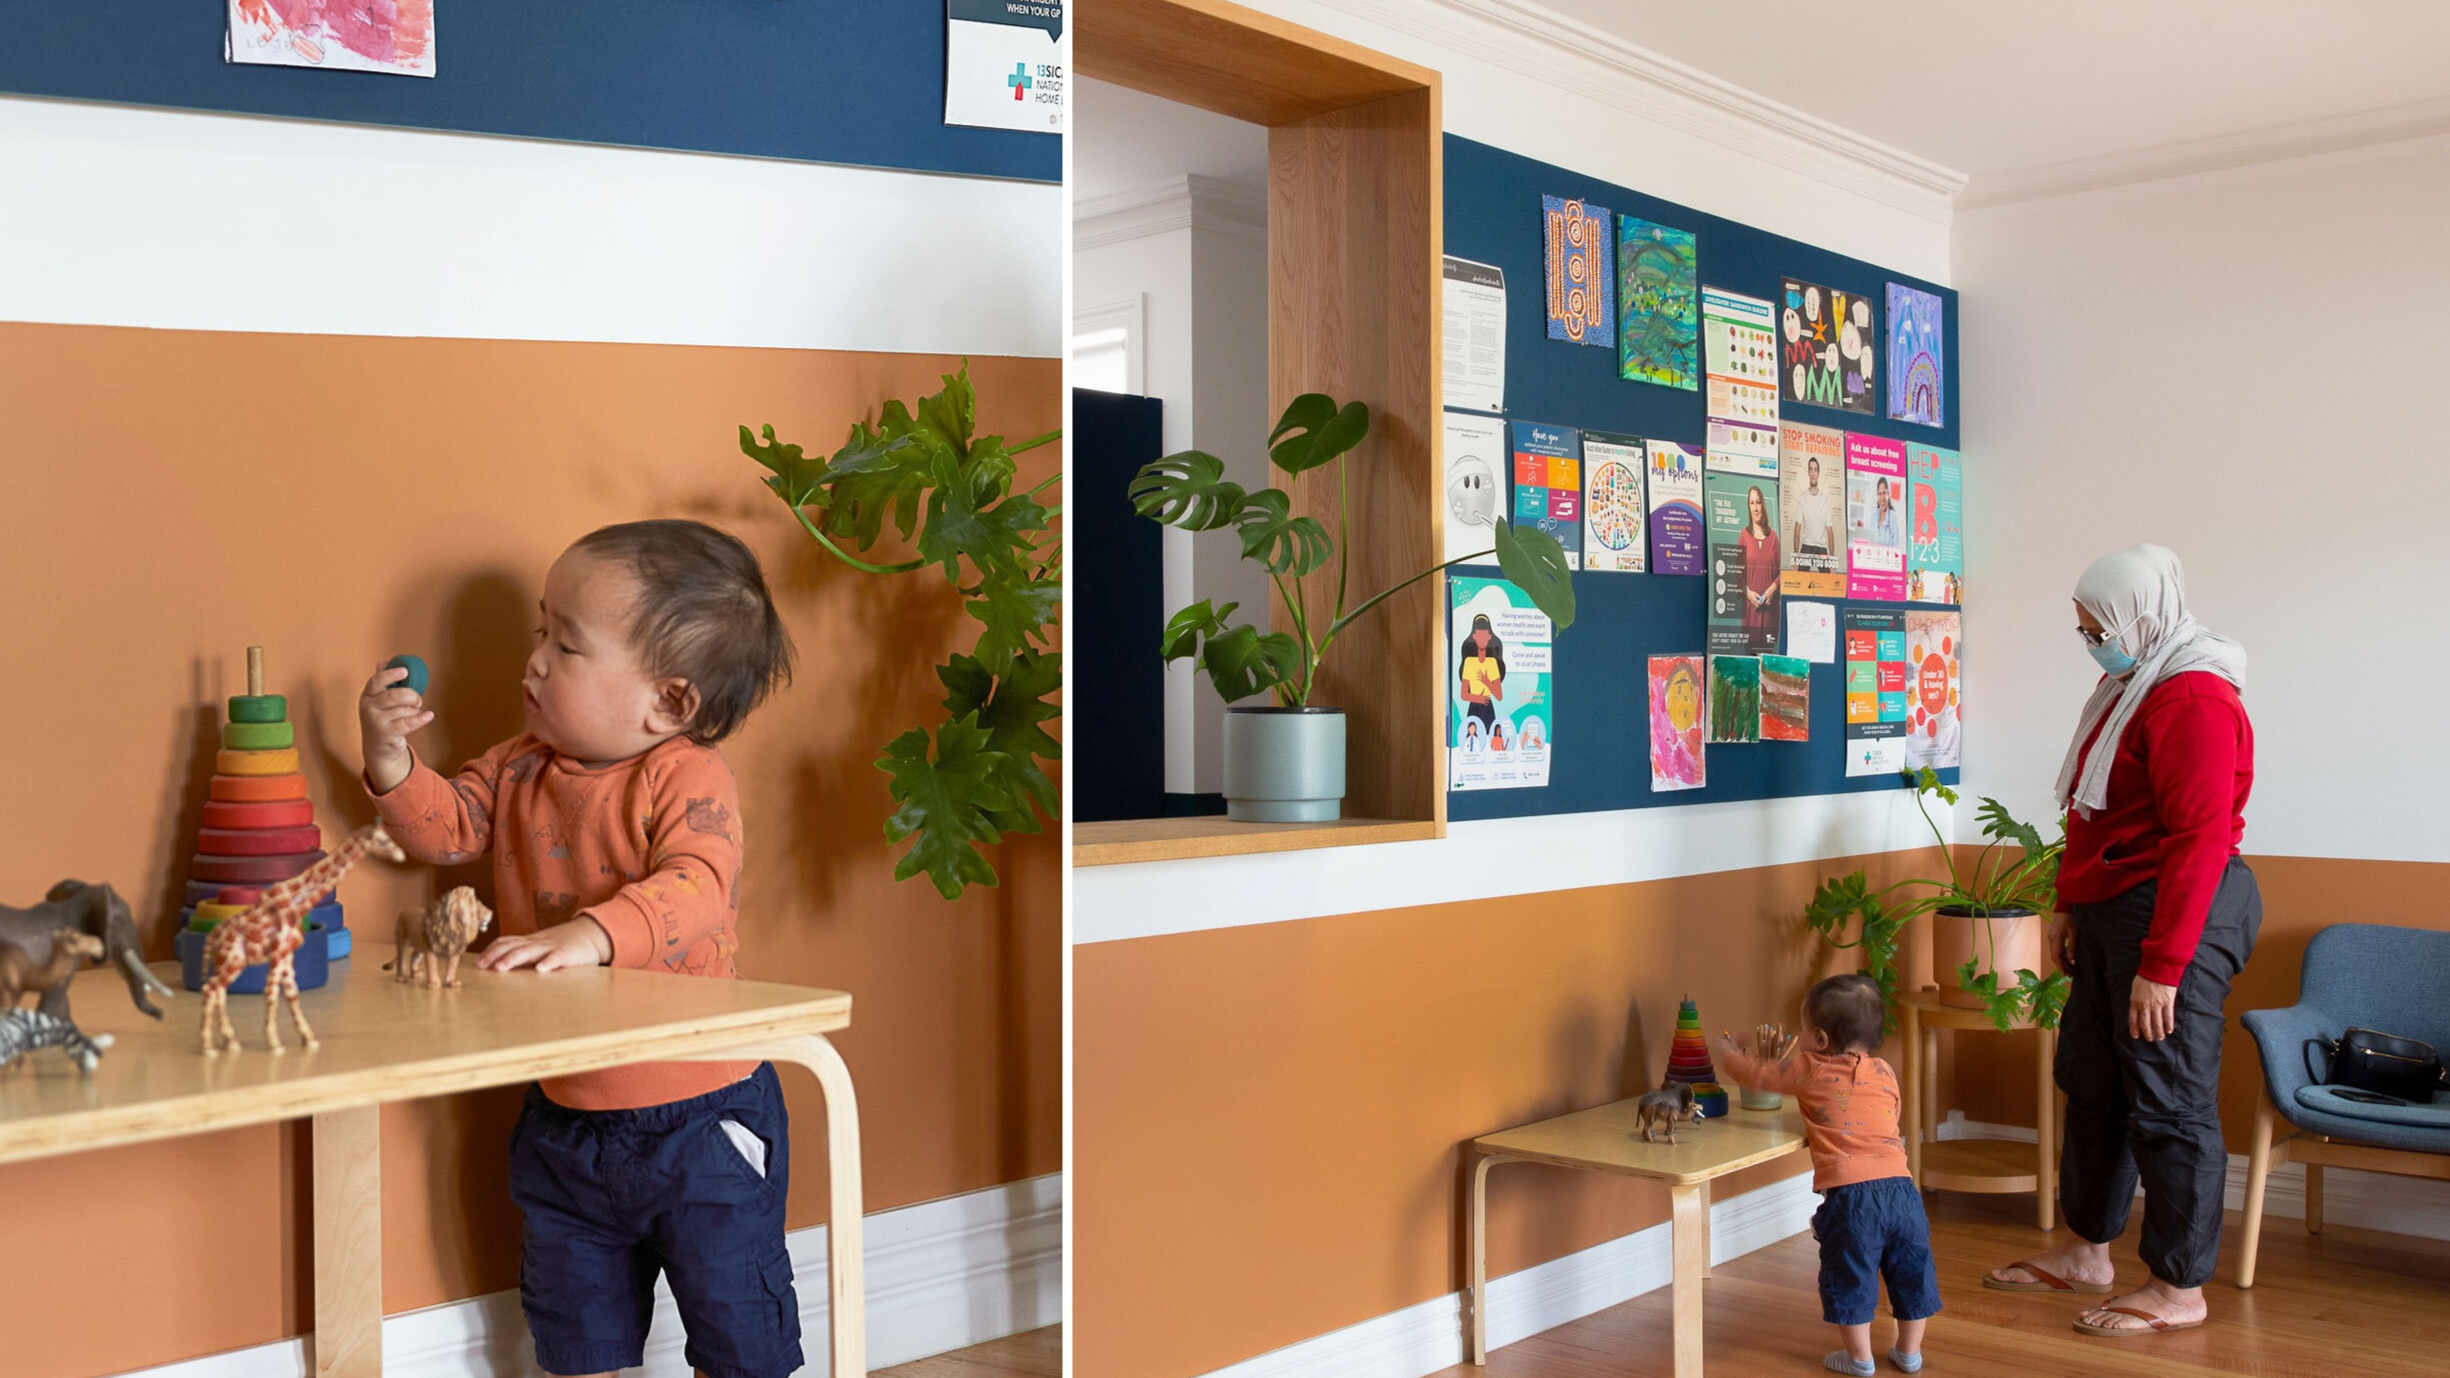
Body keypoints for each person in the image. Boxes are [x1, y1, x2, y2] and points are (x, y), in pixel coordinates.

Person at [359, 519, 800, 1378]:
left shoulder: (685, 776)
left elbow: (699, 886)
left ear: (669, 703)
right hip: (566, 1113)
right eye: (540, 632)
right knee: (574, 1327)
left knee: (738, 1329)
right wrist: (389, 756)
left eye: (564, 646)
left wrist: (591, 935)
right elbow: (448, 830)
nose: (532, 662)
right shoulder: (520, 765)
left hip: (701, 1116)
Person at [1984, 543, 2256, 1341]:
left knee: (2169, 1098)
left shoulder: (2194, 697)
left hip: (2179, 911)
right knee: (2094, 1083)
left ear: (2143, 618)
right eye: (2083, 630)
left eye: (2098, 629)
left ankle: (2178, 1286)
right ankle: (2086, 1251)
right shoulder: (2128, 686)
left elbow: (2199, 840)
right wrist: (2070, 904)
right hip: (2114, 908)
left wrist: (2164, 968)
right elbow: (2091, 807)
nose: (2091, 643)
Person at [1717, 975, 1938, 1375]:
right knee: (1912, 1274)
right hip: (1904, 1192)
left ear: (1819, 1038)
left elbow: (1757, 1076)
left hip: (1852, 1198)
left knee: (1851, 1276)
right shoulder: (1885, 1071)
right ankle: (1909, 1353)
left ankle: (1860, 1360)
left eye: (1802, 1029)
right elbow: (1890, 1114)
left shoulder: (1810, 1069)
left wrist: (1729, 1053)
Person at [1741, 484, 1781, 639]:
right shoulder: (1744, 536)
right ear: (1748, 507)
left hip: (1770, 616)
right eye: (1752, 503)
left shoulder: (1773, 537)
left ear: (1763, 505)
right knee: (1749, 654)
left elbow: (1784, 572)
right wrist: (1748, 594)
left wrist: (1774, 587)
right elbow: (1737, 574)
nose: (1756, 508)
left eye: (1758, 502)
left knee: (1768, 654)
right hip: (1751, 615)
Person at [1457, 614, 1506, 737]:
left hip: (1488, 707)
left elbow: (1499, 696)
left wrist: (1487, 682)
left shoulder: (1492, 663)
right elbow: (1463, 694)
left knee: (1489, 737)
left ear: (1489, 637)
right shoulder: (1469, 662)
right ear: (1474, 637)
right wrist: (1479, 698)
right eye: (1479, 636)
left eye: (1484, 636)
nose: (1482, 639)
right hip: (1474, 707)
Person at [1794, 455, 1836, 557]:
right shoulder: (1802, 498)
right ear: (1808, 473)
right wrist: (1795, 556)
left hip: (1821, 548)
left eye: (1815, 470)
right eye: (1811, 469)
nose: (1813, 473)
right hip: (1806, 547)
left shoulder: (1824, 500)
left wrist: (1832, 559)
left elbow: (1830, 533)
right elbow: (1797, 529)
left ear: (1818, 473)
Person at [1872, 477, 1902, 550]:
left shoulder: (1893, 517)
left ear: (1888, 494)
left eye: (1884, 493)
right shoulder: (1873, 516)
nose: (1882, 497)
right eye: (1879, 494)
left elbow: (1897, 546)